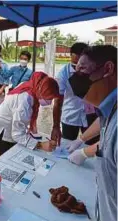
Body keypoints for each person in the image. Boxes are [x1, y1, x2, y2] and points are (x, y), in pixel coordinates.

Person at [68, 45, 117, 221]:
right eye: (75, 68)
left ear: (108, 69)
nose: (75, 77)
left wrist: (83, 152)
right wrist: (81, 139)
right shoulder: (109, 109)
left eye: (82, 68)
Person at [0, 72, 60, 156]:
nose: (50, 102)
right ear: (42, 91)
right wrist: (41, 145)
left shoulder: (33, 86)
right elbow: (17, 134)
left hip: (8, 121)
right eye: (49, 98)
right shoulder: (24, 101)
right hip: (2, 129)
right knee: (8, 157)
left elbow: (21, 121)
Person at [51, 42, 99, 145]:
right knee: (67, 145)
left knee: (91, 144)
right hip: (71, 115)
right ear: (71, 55)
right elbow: (58, 101)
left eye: (84, 57)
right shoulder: (63, 74)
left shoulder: (93, 70)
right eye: (77, 56)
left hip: (90, 115)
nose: (81, 60)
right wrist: (55, 125)